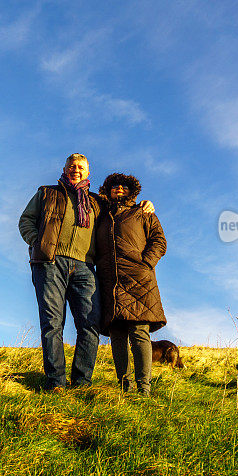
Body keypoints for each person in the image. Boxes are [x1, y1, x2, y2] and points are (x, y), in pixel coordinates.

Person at [19, 154, 153, 391]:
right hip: (50, 263)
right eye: (72, 166)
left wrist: (145, 205)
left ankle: (82, 382)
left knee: (90, 325)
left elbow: (121, 210)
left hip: (85, 267)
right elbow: (26, 220)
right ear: (64, 169)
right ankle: (56, 382)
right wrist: (37, 243)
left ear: (88, 173)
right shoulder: (46, 193)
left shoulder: (97, 202)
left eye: (81, 167)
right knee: (52, 323)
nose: (76, 170)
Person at [95, 173, 167, 397]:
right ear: (107, 190)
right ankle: (124, 387)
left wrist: (146, 262)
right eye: (114, 186)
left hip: (139, 278)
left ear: (131, 191)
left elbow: (159, 240)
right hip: (110, 279)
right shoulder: (101, 215)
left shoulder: (143, 212)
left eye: (124, 186)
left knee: (139, 331)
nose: (119, 188)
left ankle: (144, 387)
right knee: (116, 334)